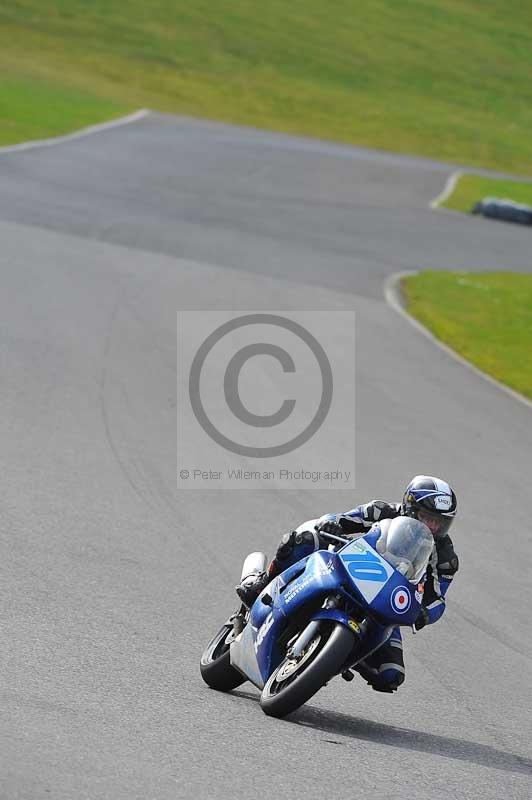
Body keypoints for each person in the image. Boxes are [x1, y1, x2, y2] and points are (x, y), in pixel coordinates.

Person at [236, 475, 459, 693]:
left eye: (440, 522)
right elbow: (341, 518)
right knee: (303, 541)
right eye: (427, 517)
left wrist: (425, 613)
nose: (433, 526)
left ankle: (331, 658)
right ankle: (261, 582)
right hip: (350, 571)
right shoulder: (382, 512)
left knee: (390, 674)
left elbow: (438, 598)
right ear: (409, 507)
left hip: (382, 599)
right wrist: (332, 525)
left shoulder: (445, 558)